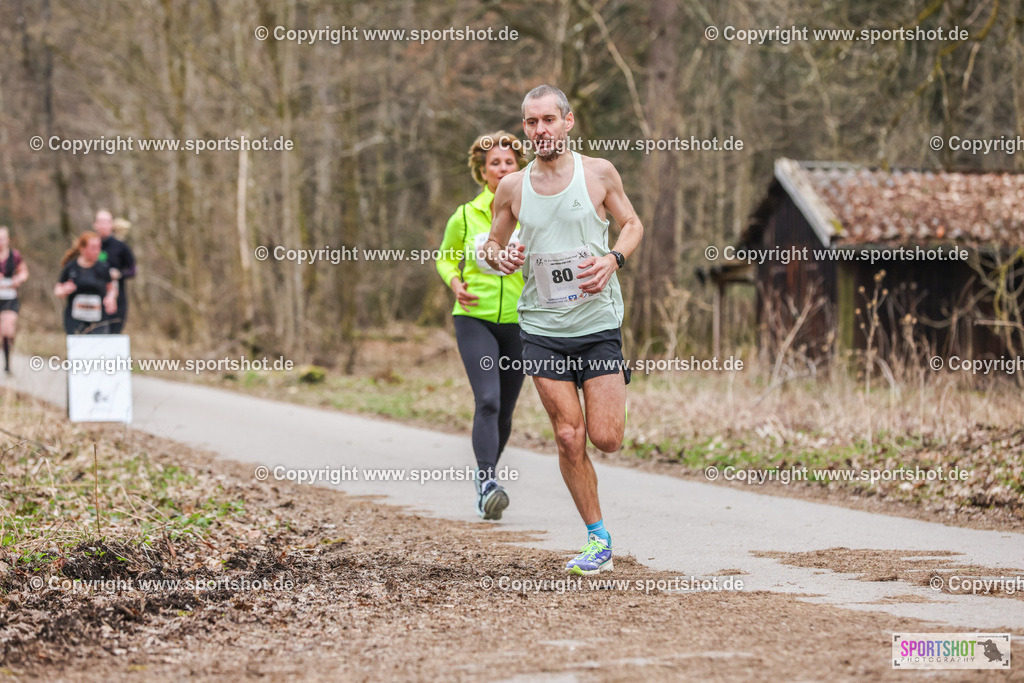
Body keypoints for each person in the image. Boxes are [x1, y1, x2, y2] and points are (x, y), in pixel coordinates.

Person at [484, 85, 644, 575]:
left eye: (548, 120)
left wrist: (614, 259)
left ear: (568, 122)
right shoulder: (512, 187)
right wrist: (501, 257)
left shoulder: (598, 173)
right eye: (531, 123)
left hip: (597, 326)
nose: (539, 131)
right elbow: (492, 246)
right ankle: (598, 539)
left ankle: (614, 375)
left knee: (607, 438)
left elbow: (633, 223)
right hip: (542, 327)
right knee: (570, 436)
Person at [436, 131, 528, 520]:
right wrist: (455, 283)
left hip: (520, 323)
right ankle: (489, 482)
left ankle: (483, 479)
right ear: (483, 171)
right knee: (487, 400)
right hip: (475, 319)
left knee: (505, 410)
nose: (503, 168)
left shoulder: (532, 212)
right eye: (496, 164)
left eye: (509, 162)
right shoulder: (464, 215)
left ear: (519, 167)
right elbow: (444, 258)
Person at [54, 232, 118, 335]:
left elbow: (111, 288)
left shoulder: (103, 267)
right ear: (82, 249)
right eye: (93, 248)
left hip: (99, 319)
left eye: (99, 247)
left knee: (97, 348)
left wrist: (111, 298)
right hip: (75, 318)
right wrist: (64, 290)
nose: (97, 251)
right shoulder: (71, 267)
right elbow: (58, 290)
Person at [93, 209, 136, 334]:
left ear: (112, 225)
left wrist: (120, 274)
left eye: (106, 222)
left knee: (114, 332)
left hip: (116, 296)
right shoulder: (90, 244)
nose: (103, 225)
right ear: (95, 225)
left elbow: (133, 270)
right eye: (100, 222)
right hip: (94, 295)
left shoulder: (120, 246)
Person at [0, 227, 29, 374]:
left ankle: (7, 363)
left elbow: (24, 271)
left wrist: (18, 278)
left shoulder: (14, 255)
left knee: (8, 329)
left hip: (10, 298)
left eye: (3, 238)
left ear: (7, 239)